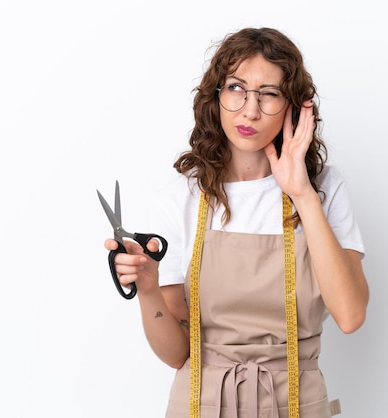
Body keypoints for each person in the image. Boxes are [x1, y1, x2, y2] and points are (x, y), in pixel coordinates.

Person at [104, 27, 369, 418]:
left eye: (269, 94)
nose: (250, 110)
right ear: (216, 97)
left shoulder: (324, 190)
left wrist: (302, 194)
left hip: (297, 403)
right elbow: (178, 354)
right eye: (236, 88)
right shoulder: (181, 198)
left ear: (294, 106)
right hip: (200, 404)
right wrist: (147, 289)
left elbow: (350, 315)